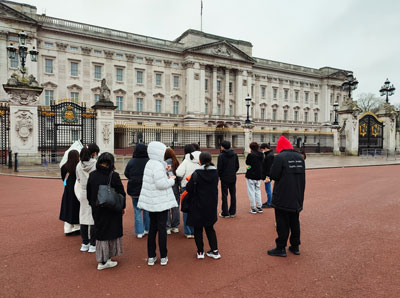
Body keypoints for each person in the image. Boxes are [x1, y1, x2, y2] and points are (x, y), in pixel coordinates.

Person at [138, 141, 178, 266]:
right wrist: (171, 180)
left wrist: (165, 171)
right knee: (161, 230)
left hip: (152, 202)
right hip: (160, 202)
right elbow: (161, 184)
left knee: (152, 229)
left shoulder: (150, 163)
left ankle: (151, 256)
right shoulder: (157, 165)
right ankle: (163, 256)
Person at [267, 136, 306, 257]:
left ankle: (281, 247)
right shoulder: (300, 157)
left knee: (282, 222)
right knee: (295, 222)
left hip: (283, 195)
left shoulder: (280, 157)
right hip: (297, 195)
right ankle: (295, 246)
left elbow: (274, 175)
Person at [87, 153, 126, 270]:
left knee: (101, 233)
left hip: (98, 209)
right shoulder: (113, 176)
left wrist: (93, 205)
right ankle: (106, 259)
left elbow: (89, 193)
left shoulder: (92, 175)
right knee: (111, 233)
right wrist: (122, 207)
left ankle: (102, 259)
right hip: (112, 209)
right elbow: (121, 193)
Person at [187, 152, 221, 260]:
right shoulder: (215, 172)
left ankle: (200, 252)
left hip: (197, 203)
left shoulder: (196, 173)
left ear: (200, 161)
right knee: (210, 228)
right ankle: (215, 251)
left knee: (198, 229)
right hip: (211, 204)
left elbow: (189, 188)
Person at [124, 143, 150, 238]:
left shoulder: (132, 161)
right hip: (146, 189)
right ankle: (147, 228)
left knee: (137, 210)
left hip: (134, 188)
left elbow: (126, 173)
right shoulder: (149, 161)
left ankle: (139, 231)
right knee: (147, 210)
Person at [176, 144, 201, 238]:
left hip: (186, 187)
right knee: (196, 209)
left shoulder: (186, 160)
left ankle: (188, 231)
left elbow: (178, 172)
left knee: (186, 209)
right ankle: (196, 230)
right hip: (198, 187)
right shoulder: (200, 159)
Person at [75, 147, 97, 253]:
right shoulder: (95, 163)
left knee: (83, 217)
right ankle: (93, 244)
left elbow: (78, 179)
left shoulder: (78, 165)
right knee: (93, 218)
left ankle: (85, 243)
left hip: (83, 191)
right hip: (93, 191)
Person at [60, 150, 81, 235]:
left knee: (68, 208)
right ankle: (77, 227)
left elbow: (63, 179)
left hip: (68, 190)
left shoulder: (64, 167)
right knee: (76, 208)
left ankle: (68, 229)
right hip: (77, 189)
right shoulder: (79, 166)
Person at [217, 140, 239, 218]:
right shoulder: (235, 154)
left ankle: (225, 212)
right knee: (233, 194)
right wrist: (233, 172)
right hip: (233, 176)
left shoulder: (221, 156)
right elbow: (237, 166)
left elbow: (219, 168)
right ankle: (232, 212)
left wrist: (219, 175)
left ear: (222, 147)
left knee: (224, 195)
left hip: (224, 177)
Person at [164, 147, 180, 234]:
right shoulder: (176, 162)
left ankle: (168, 226)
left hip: (167, 185)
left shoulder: (164, 163)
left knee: (167, 206)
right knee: (175, 206)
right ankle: (175, 226)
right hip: (175, 186)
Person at [245, 142, 264, 214]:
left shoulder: (250, 155)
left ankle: (253, 207)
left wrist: (248, 168)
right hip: (258, 175)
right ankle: (259, 207)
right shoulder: (261, 154)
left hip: (251, 175)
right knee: (258, 191)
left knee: (251, 192)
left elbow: (248, 165)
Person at [260, 143, 274, 209]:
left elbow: (269, 167)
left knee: (268, 189)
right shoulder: (269, 155)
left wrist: (268, 176)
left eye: (262, 149)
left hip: (267, 175)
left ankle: (270, 203)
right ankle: (269, 201)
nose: (262, 151)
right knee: (267, 189)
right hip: (267, 175)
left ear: (265, 148)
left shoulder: (269, 156)